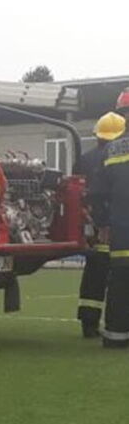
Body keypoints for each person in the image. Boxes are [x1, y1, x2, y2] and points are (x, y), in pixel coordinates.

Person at [77, 112, 126, 337]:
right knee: (119, 280)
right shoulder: (118, 153)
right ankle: (117, 328)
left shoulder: (85, 159)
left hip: (96, 226)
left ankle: (89, 323)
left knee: (94, 275)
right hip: (117, 226)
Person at [89, 112, 129, 349]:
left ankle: (116, 337)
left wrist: (103, 222)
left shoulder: (112, 150)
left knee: (120, 283)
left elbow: (96, 193)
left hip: (122, 232)